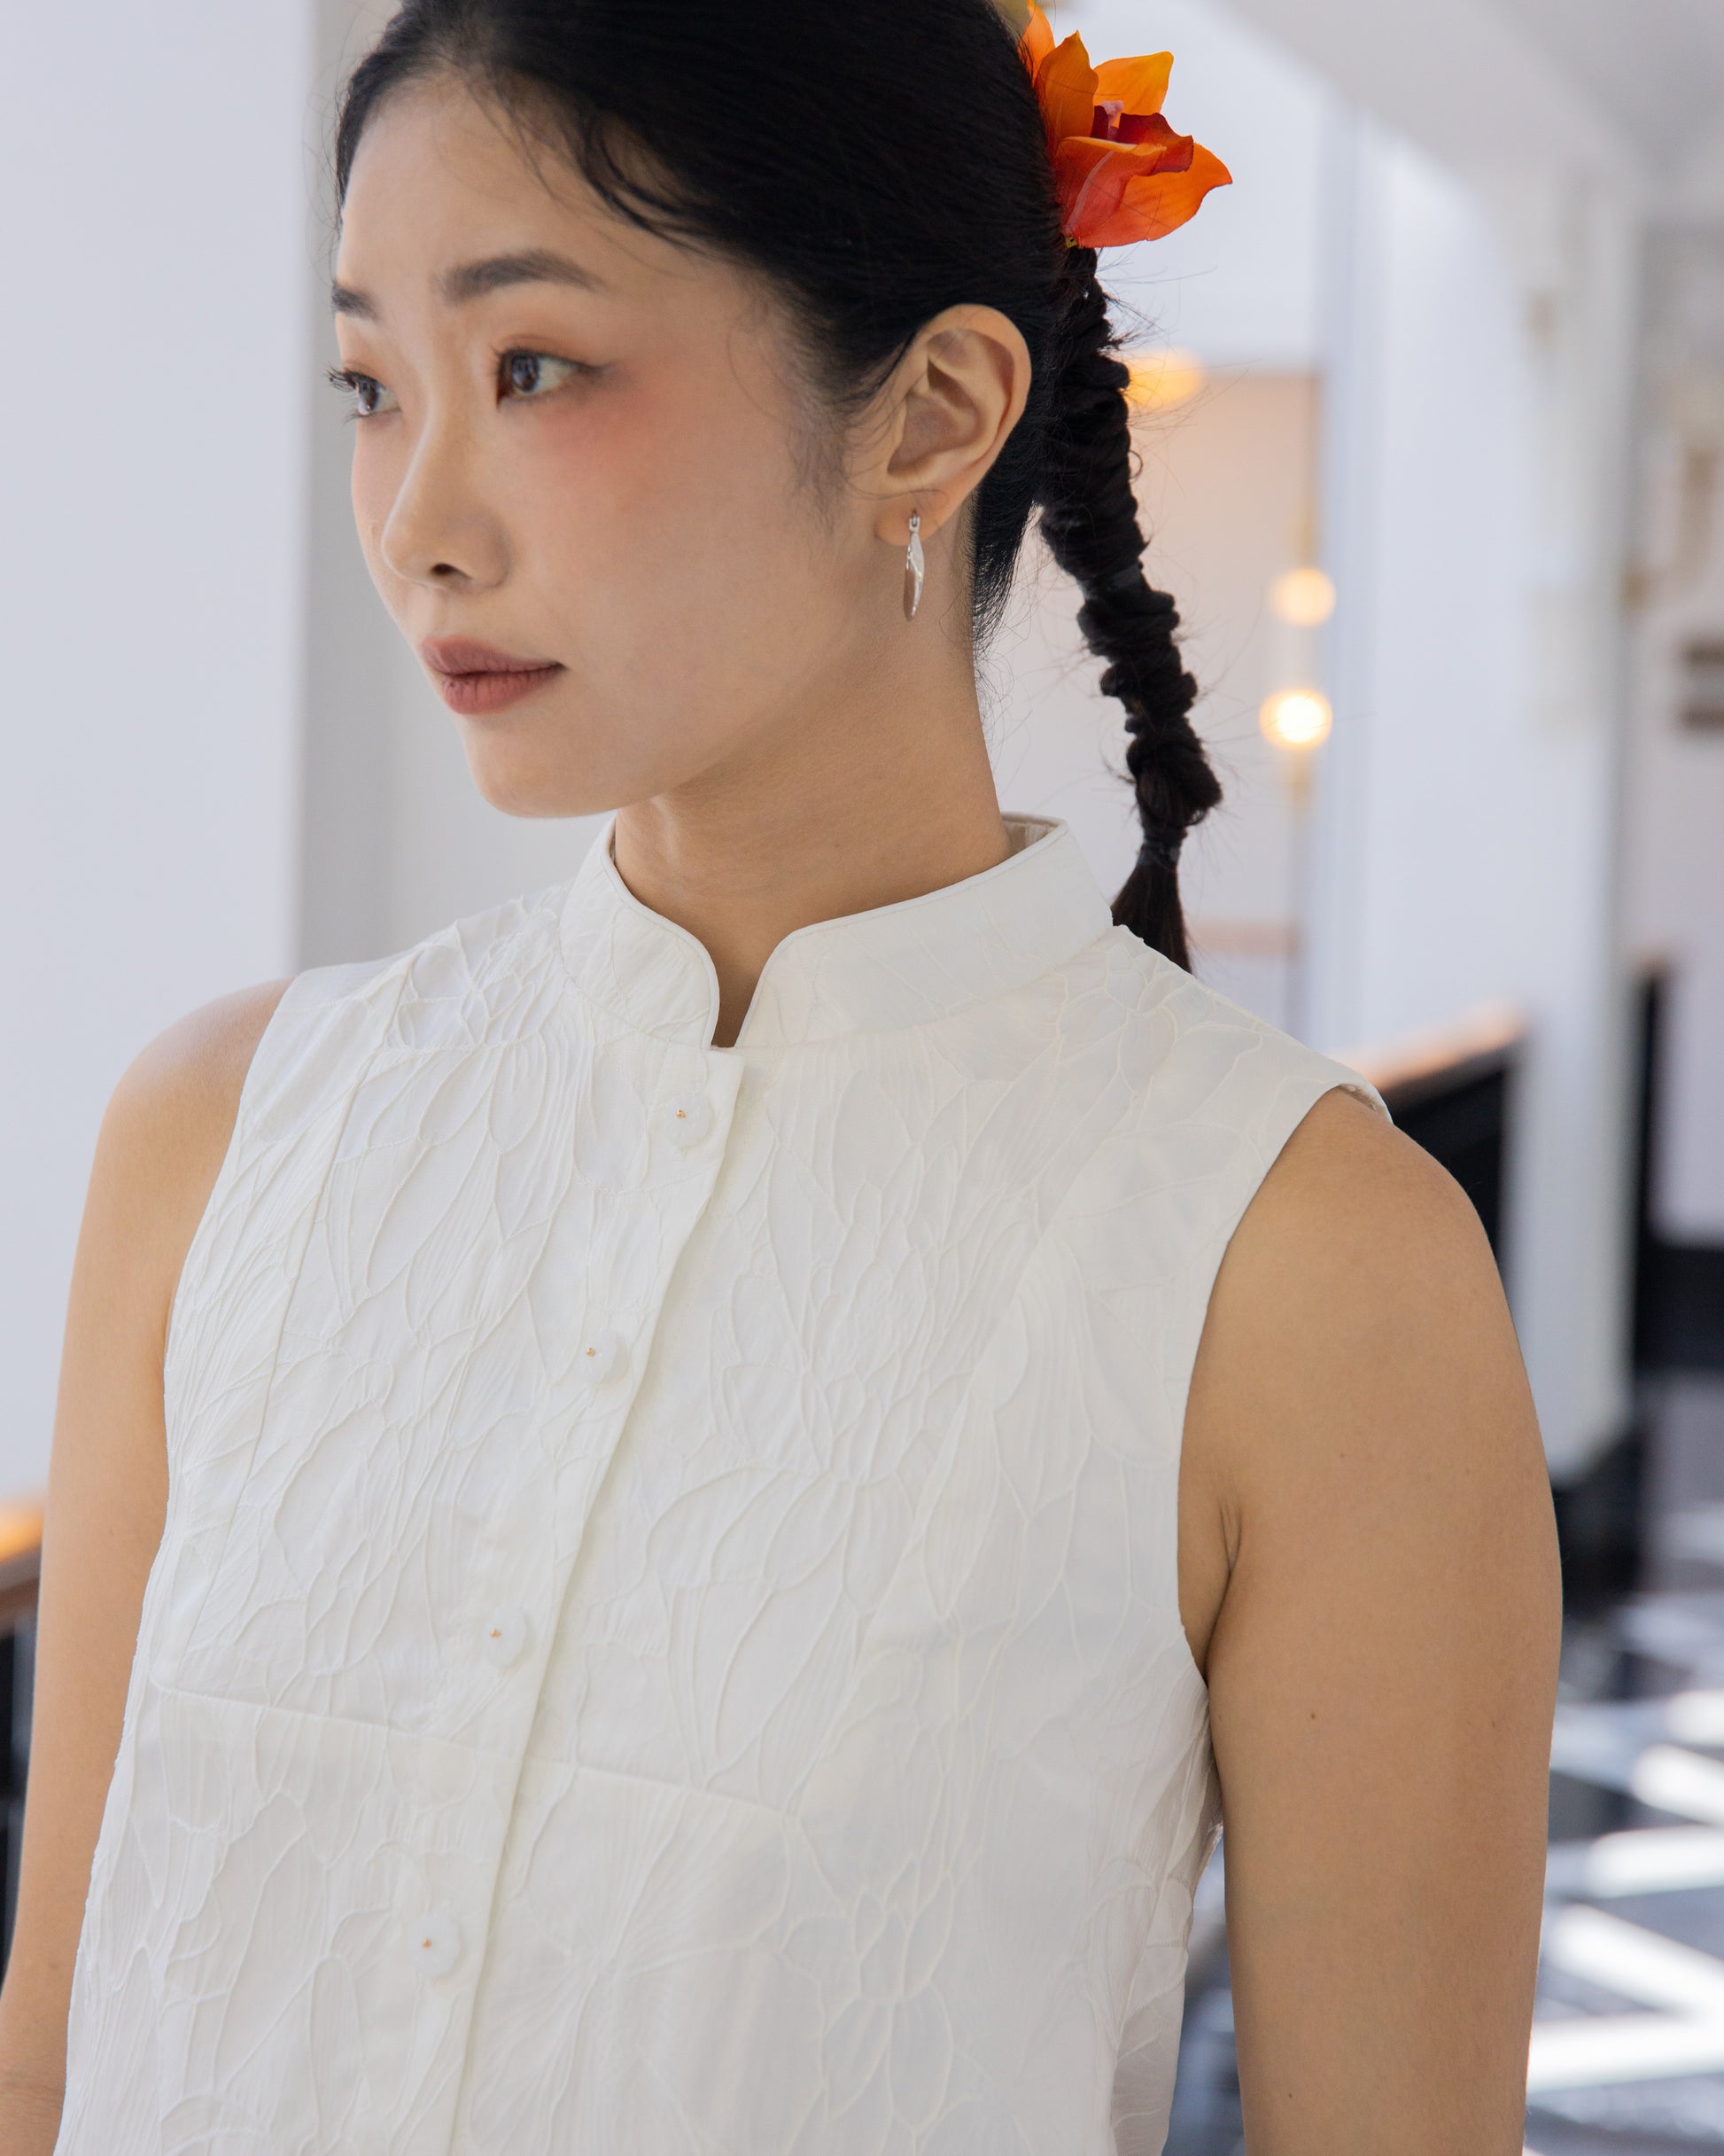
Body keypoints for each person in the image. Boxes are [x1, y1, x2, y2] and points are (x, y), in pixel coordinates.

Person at [0, 2, 1560, 2150]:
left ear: (931, 413)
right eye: (369, 385)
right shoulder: (220, 1136)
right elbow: (53, 2056)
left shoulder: (1305, 1270)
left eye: (532, 368)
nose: (416, 520)